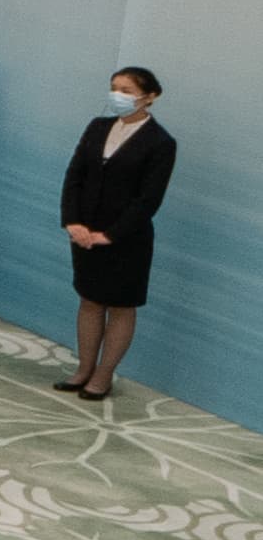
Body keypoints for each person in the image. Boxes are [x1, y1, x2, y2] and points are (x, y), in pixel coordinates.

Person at [62, 64, 177, 400]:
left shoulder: (161, 142)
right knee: (90, 300)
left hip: (127, 239)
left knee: (121, 306)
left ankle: (103, 375)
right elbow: (75, 175)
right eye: (114, 88)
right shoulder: (98, 126)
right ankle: (84, 368)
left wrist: (111, 235)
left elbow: (148, 199)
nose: (118, 95)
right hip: (85, 233)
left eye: (126, 90)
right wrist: (73, 222)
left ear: (149, 97)